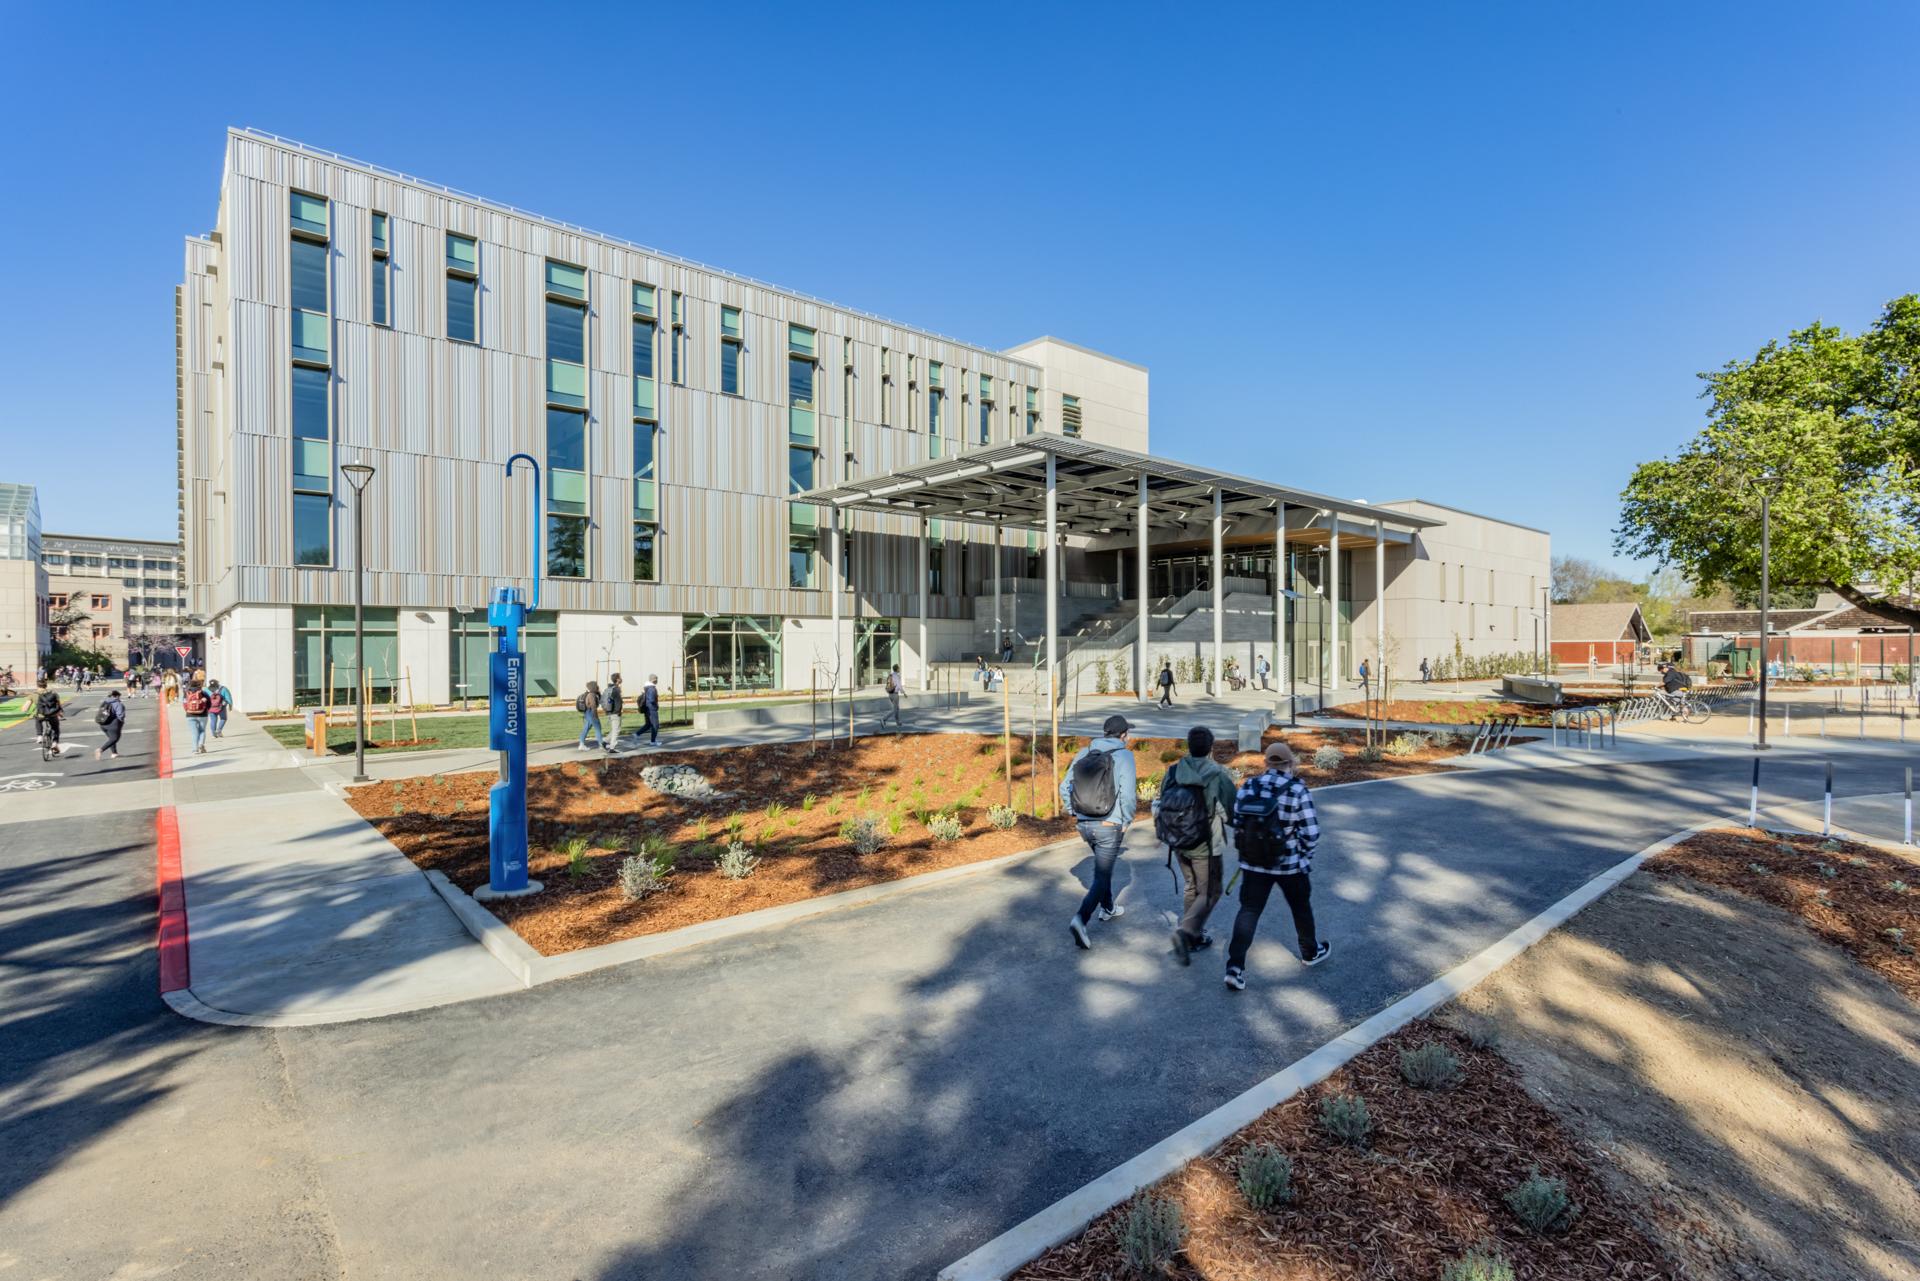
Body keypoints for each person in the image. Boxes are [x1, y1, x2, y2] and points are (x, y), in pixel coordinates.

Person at [1224, 739, 1330, 989]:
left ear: (1265, 762)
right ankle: (1309, 952)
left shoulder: (1249, 786)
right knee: (1301, 908)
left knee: (1248, 911)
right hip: (1289, 864)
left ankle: (1235, 967)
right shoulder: (1297, 789)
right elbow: (1312, 832)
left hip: (1253, 864)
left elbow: (1237, 821)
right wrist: (1303, 856)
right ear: (1290, 763)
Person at [1155, 726, 1240, 964]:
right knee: (1210, 891)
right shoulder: (1217, 774)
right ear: (1211, 748)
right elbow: (1233, 810)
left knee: (1191, 886)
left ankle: (1193, 936)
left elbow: (1164, 801)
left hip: (1179, 842)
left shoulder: (1173, 772)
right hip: (1206, 844)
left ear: (1189, 746)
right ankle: (1186, 932)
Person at [1062, 714, 1140, 949]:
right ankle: (1080, 919)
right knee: (1102, 876)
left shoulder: (1084, 753)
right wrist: (1126, 821)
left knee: (1101, 869)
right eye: (1128, 733)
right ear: (1123, 735)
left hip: (1085, 824)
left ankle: (1107, 908)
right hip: (1109, 825)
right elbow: (1127, 795)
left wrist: (1073, 810)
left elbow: (1064, 786)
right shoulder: (1124, 756)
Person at [33, 680, 65, 754]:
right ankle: (54, 743)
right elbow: (58, 704)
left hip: (41, 714)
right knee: (56, 729)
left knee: (38, 720)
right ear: (46, 685)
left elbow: (25, 708)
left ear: (37, 686)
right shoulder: (54, 693)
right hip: (53, 714)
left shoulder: (34, 694)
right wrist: (60, 713)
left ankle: (39, 736)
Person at [95, 688, 126, 759]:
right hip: (113, 724)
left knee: (111, 738)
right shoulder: (118, 704)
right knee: (114, 738)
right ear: (117, 696)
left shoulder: (104, 702)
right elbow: (120, 715)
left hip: (102, 724)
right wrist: (120, 723)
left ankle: (114, 753)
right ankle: (100, 750)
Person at [182, 680, 212, 754]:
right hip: (203, 714)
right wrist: (206, 709)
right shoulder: (203, 693)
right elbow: (209, 703)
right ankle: (201, 744)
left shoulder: (187, 693)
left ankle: (195, 749)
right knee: (202, 730)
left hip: (190, 715)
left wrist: (188, 710)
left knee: (194, 733)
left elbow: (184, 703)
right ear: (200, 686)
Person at [576, 679, 606, 750]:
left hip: (587, 713)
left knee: (586, 728)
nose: (598, 687)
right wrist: (596, 716)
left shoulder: (591, 694)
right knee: (598, 728)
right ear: (593, 687)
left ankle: (581, 744)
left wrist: (598, 693)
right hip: (591, 713)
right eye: (596, 686)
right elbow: (593, 706)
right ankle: (601, 744)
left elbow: (601, 699)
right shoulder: (591, 695)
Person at [602, 673, 625, 753]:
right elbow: (618, 702)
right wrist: (618, 711)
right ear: (617, 679)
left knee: (615, 729)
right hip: (615, 713)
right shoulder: (616, 690)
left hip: (609, 712)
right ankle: (612, 748)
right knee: (617, 730)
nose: (621, 679)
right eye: (620, 677)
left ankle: (604, 741)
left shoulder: (609, 688)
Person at [640, 674, 661, 746]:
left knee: (648, 724)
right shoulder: (652, 688)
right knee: (655, 725)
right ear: (654, 680)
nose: (657, 681)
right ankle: (653, 741)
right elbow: (652, 699)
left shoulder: (646, 687)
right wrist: (656, 705)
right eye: (656, 679)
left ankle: (636, 734)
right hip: (652, 709)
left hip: (647, 708)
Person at [883, 665, 904, 730]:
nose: (899, 669)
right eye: (899, 668)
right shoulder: (897, 676)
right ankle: (884, 719)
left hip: (890, 694)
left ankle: (898, 722)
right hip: (895, 694)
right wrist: (903, 692)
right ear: (897, 669)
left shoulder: (891, 675)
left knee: (896, 708)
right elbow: (899, 685)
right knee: (895, 709)